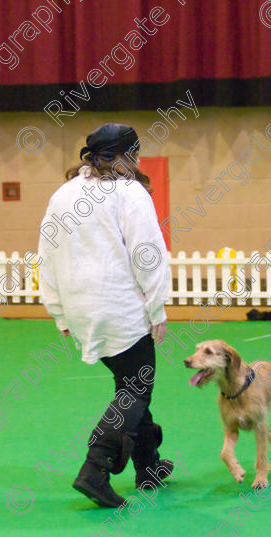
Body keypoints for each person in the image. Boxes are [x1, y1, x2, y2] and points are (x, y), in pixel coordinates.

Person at [38, 123, 173, 508]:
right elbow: (148, 254)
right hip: (120, 309)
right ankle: (94, 470)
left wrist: (59, 311)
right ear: (128, 155)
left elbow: (45, 255)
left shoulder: (62, 194)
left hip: (80, 309)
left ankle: (148, 466)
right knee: (135, 387)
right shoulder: (129, 192)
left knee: (129, 384)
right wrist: (157, 306)